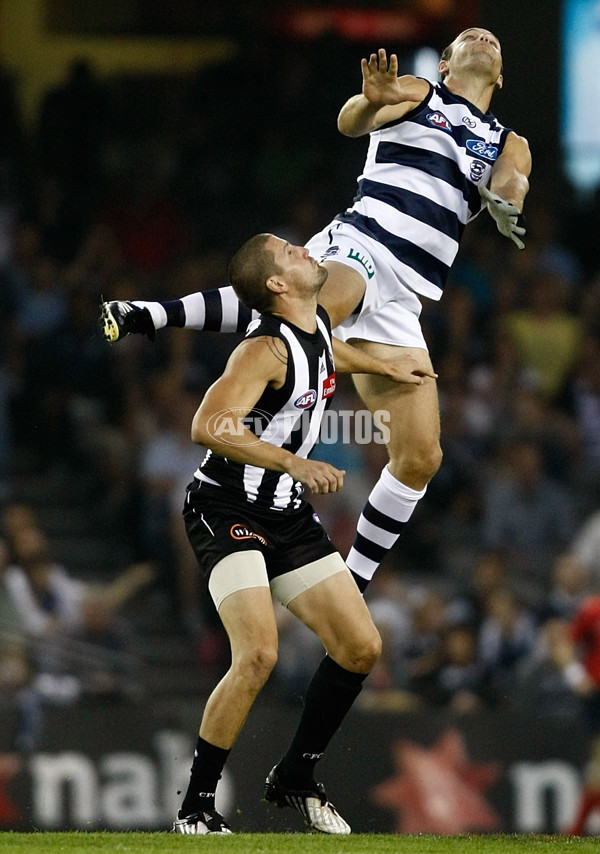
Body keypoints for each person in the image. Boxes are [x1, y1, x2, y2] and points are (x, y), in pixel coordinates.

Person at [101, 28, 531, 592]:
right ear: (447, 61)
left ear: (498, 76)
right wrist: (370, 99)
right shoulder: (420, 92)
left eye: (493, 40)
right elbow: (350, 121)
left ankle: (352, 585)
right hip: (363, 246)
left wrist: (505, 202)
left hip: (407, 295)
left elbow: (513, 180)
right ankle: (157, 324)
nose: (482, 37)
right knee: (304, 325)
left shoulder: (509, 140)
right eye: (468, 36)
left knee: (421, 456)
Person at [172, 232, 434, 835]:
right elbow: (207, 424)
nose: (307, 251)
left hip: (286, 515)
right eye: (291, 253)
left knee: (361, 647)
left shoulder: (312, 328)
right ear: (277, 285)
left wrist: (383, 362)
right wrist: (292, 462)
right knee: (259, 652)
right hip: (225, 505)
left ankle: (294, 776)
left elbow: (329, 353)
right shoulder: (261, 349)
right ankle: (197, 809)